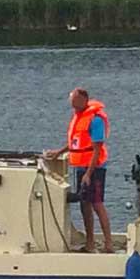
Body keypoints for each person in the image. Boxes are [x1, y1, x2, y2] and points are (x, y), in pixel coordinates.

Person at [45, 88, 112, 253]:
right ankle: (90, 243)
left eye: (75, 102)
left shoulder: (95, 119)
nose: (72, 105)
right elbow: (76, 142)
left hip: (94, 168)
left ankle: (108, 244)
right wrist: (59, 152)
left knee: (97, 204)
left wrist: (89, 174)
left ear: (84, 99)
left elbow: (96, 149)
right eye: (71, 102)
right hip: (81, 167)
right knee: (84, 203)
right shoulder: (78, 117)